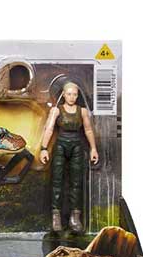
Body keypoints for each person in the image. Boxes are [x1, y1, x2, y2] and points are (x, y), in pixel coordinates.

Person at [39, 82, 99, 233]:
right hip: (60, 145)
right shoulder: (56, 110)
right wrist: (44, 148)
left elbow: (88, 130)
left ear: (78, 96)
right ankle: (56, 217)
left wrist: (93, 148)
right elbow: (49, 129)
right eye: (69, 94)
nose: (72, 97)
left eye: (75, 94)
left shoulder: (82, 111)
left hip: (77, 146)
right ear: (64, 94)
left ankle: (75, 217)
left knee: (76, 182)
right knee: (57, 181)